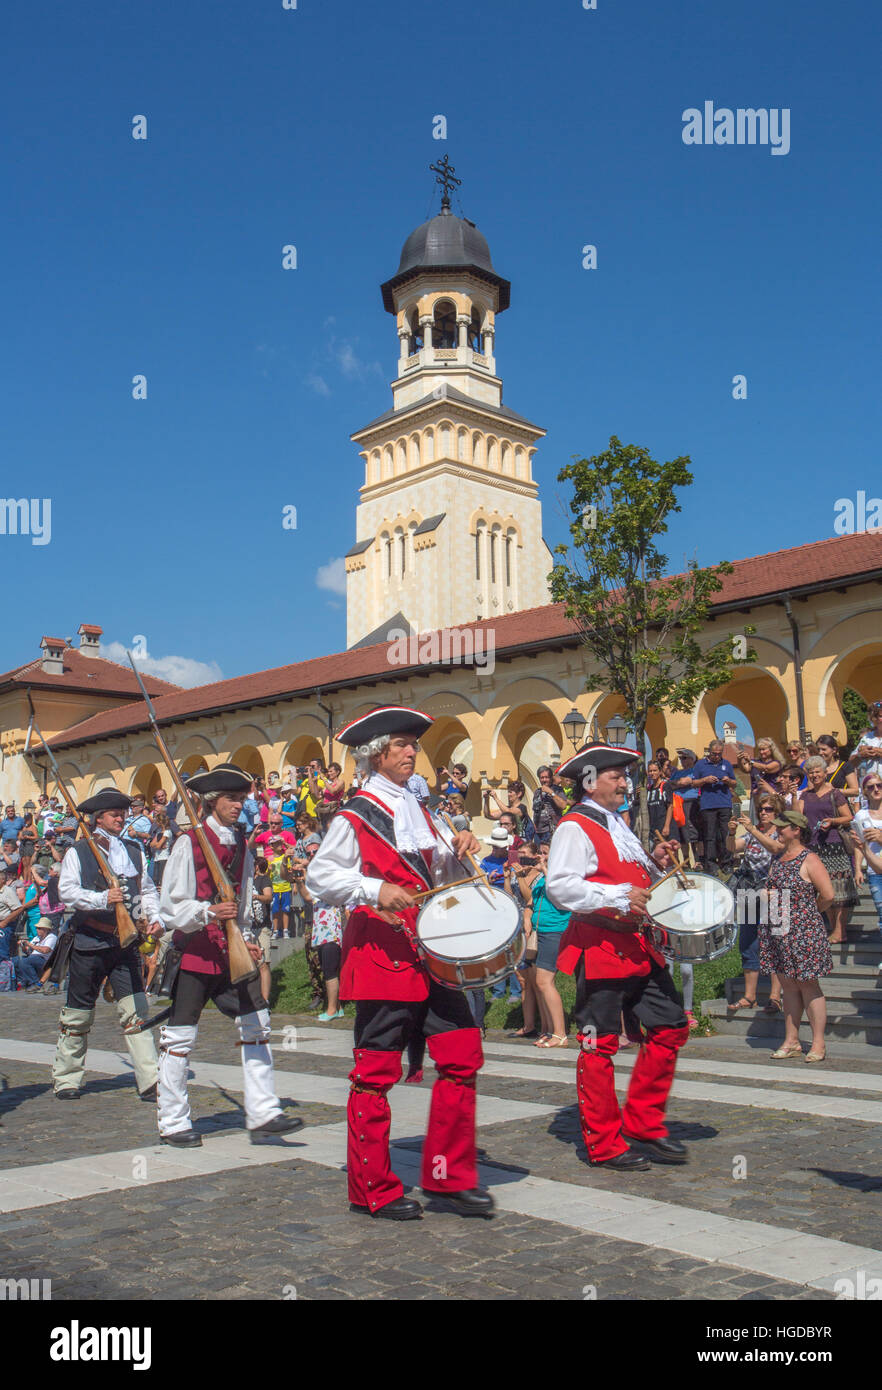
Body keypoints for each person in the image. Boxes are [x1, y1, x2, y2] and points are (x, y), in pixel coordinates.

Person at [306, 704, 494, 1221]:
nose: (412, 751)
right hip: (382, 952)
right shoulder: (354, 812)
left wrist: (460, 847)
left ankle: (448, 1176)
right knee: (376, 1072)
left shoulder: (423, 808)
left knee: (461, 1056)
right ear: (376, 754)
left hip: (434, 948)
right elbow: (319, 879)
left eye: (414, 744)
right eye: (401, 745)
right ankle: (371, 1188)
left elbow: (435, 870)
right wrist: (372, 887)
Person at [545, 743, 688, 1172]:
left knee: (671, 1027)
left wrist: (654, 865)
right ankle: (604, 1143)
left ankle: (643, 1122)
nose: (625, 781)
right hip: (600, 944)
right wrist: (619, 894)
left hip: (637, 944)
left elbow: (624, 874)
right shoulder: (574, 825)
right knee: (599, 1044)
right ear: (590, 781)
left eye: (625, 775)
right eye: (616, 775)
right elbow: (561, 887)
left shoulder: (616, 823)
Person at [156, 764, 302, 1147]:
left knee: (257, 1025)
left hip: (233, 951)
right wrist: (206, 913)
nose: (239, 805)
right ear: (211, 802)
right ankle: (173, 1121)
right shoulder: (188, 843)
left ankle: (263, 1111)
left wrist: (249, 936)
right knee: (180, 1037)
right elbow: (171, 908)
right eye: (231, 799)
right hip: (197, 951)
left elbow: (244, 897)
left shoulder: (242, 844)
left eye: (242, 798)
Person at [51, 789, 161, 1101]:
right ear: (99, 817)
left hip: (124, 942)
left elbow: (147, 889)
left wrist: (155, 917)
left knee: (136, 1010)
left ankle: (150, 1079)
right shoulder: (80, 851)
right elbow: (68, 891)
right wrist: (102, 898)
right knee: (78, 1012)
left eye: (122, 812)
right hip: (90, 939)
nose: (121, 817)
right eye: (114, 813)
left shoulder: (134, 849)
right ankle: (67, 1078)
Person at [760, 811, 834, 1062]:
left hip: (803, 930)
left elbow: (828, 895)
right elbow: (772, 888)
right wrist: (767, 896)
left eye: (783, 828)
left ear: (797, 830)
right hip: (778, 929)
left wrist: (807, 912)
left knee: (808, 985)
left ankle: (818, 1043)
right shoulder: (778, 858)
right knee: (788, 986)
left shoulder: (809, 859)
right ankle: (791, 1040)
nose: (777, 831)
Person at [728, 796, 783, 1015]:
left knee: (778, 943)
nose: (764, 813)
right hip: (751, 890)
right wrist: (731, 832)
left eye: (769, 809)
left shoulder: (782, 832)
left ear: (777, 812)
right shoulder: (752, 833)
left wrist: (752, 830)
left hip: (777, 892)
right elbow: (731, 848)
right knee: (748, 942)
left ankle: (775, 996)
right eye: (761, 809)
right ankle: (749, 996)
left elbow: (776, 848)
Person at [798, 754, 857, 944]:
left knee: (839, 890)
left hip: (834, 845)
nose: (814, 775)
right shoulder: (805, 796)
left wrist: (832, 821)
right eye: (811, 772)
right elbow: (797, 817)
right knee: (824, 891)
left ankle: (840, 931)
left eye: (817, 771)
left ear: (825, 773)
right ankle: (834, 930)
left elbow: (848, 817)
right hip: (813, 847)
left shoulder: (835, 793)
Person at [522, 841, 570, 1047]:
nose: (541, 857)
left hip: (555, 929)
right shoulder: (542, 876)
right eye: (539, 853)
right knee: (540, 982)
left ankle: (560, 1033)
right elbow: (531, 900)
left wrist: (546, 870)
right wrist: (527, 916)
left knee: (544, 981)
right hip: (540, 930)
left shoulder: (562, 873)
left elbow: (564, 895)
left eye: (545, 853)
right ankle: (549, 1030)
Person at [687, 740, 737, 873]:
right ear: (709, 752)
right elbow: (693, 783)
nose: (716, 756)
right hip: (707, 805)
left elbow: (735, 783)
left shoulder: (726, 764)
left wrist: (728, 781)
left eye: (719, 754)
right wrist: (705, 780)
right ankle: (710, 864)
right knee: (710, 835)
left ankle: (726, 862)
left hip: (724, 803)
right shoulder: (700, 764)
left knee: (725, 834)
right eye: (714, 754)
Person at [851, 772, 882, 934]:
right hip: (874, 871)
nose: (876, 789)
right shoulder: (861, 815)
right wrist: (857, 869)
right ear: (864, 791)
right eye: (871, 787)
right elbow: (858, 845)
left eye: (879, 785)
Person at [250, 855, 274, 998]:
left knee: (264, 963)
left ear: (257, 866)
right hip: (249, 927)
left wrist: (256, 897)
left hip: (262, 926)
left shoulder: (263, 879)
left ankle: (265, 1000)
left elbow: (269, 897)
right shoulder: (246, 881)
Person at [816, 734, 860, 807]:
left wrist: (834, 791)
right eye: (818, 749)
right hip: (821, 809)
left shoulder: (845, 766)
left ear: (834, 750)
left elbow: (855, 791)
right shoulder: (816, 768)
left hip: (840, 809)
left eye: (824, 749)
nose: (820, 753)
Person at [15, 917, 59, 991]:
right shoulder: (36, 938)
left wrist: (29, 944)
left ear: (46, 929)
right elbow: (28, 951)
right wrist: (23, 946)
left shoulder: (51, 937)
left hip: (45, 961)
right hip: (34, 958)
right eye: (37, 928)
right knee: (16, 960)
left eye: (39, 928)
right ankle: (24, 983)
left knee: (27, 961)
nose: (37, 930)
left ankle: (35, 983)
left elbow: (45, 950)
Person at [532, 766, 568, 845]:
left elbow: (563, 805)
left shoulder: (557, 790)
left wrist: (551, 792)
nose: (544, 780)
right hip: (538, 832)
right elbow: (535, 810)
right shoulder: (537, 792)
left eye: (546, 777)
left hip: (551, 830)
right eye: (542, 778)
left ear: (551, 778)